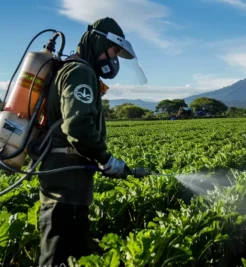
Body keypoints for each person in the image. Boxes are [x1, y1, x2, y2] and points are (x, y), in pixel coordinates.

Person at [37, 17, 147, 266]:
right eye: (113, 50)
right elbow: (78, 126)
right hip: (66, 189)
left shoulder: (74, 70)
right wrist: (106, 159)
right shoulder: (80, 72)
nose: (114, 58)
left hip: (65, 184)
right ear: (99, 44)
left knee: (72, 256)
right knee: (60, 257)